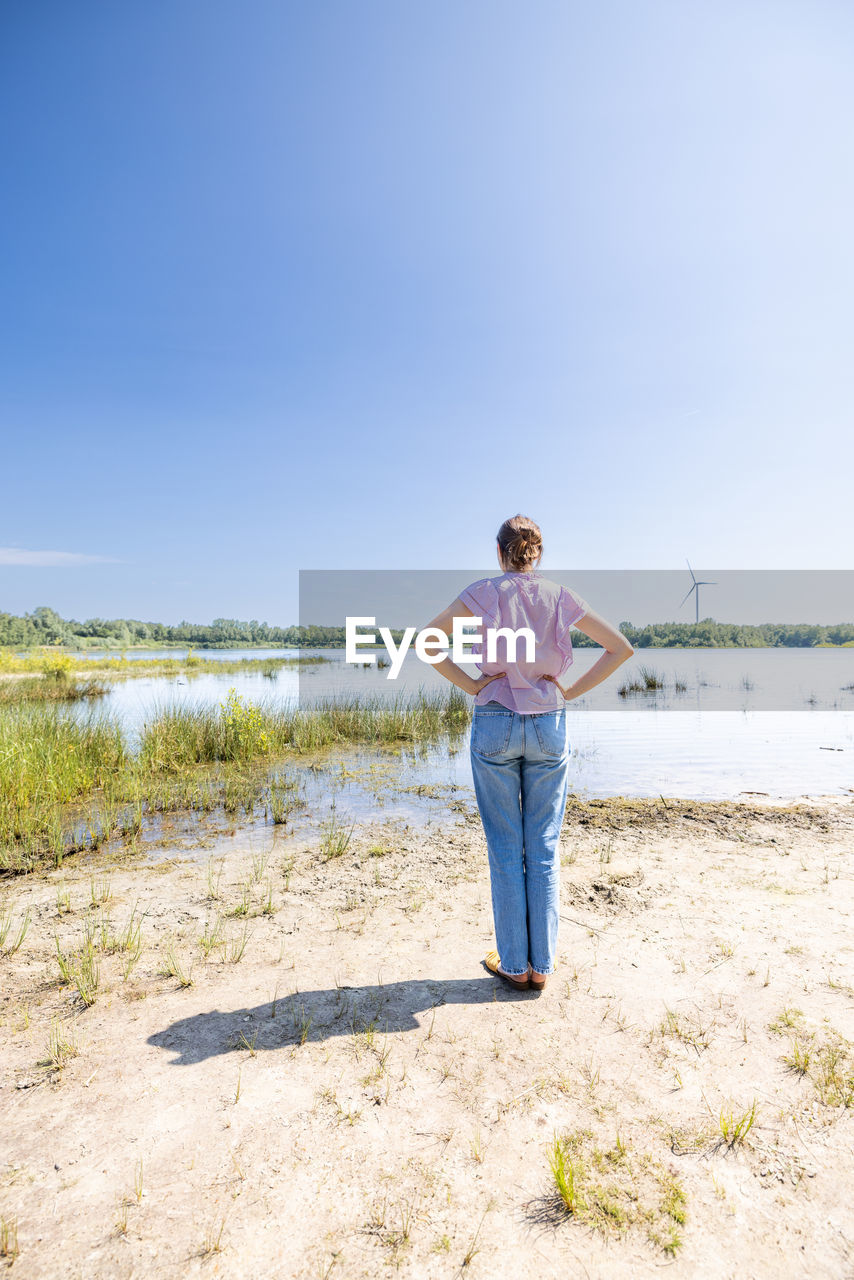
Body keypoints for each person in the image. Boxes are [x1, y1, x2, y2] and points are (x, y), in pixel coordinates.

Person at [424, 514, 633, 992]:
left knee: (504, 847)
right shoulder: (560, 596)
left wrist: (475, 684)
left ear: (500, 553)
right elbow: (619, 648)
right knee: (541, 847)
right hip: (547, 722)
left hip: (495, 719)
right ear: (538, 554)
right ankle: (541, 968)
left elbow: (428, 643)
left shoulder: (482, 591)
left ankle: (513, 965)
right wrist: (572, 691)